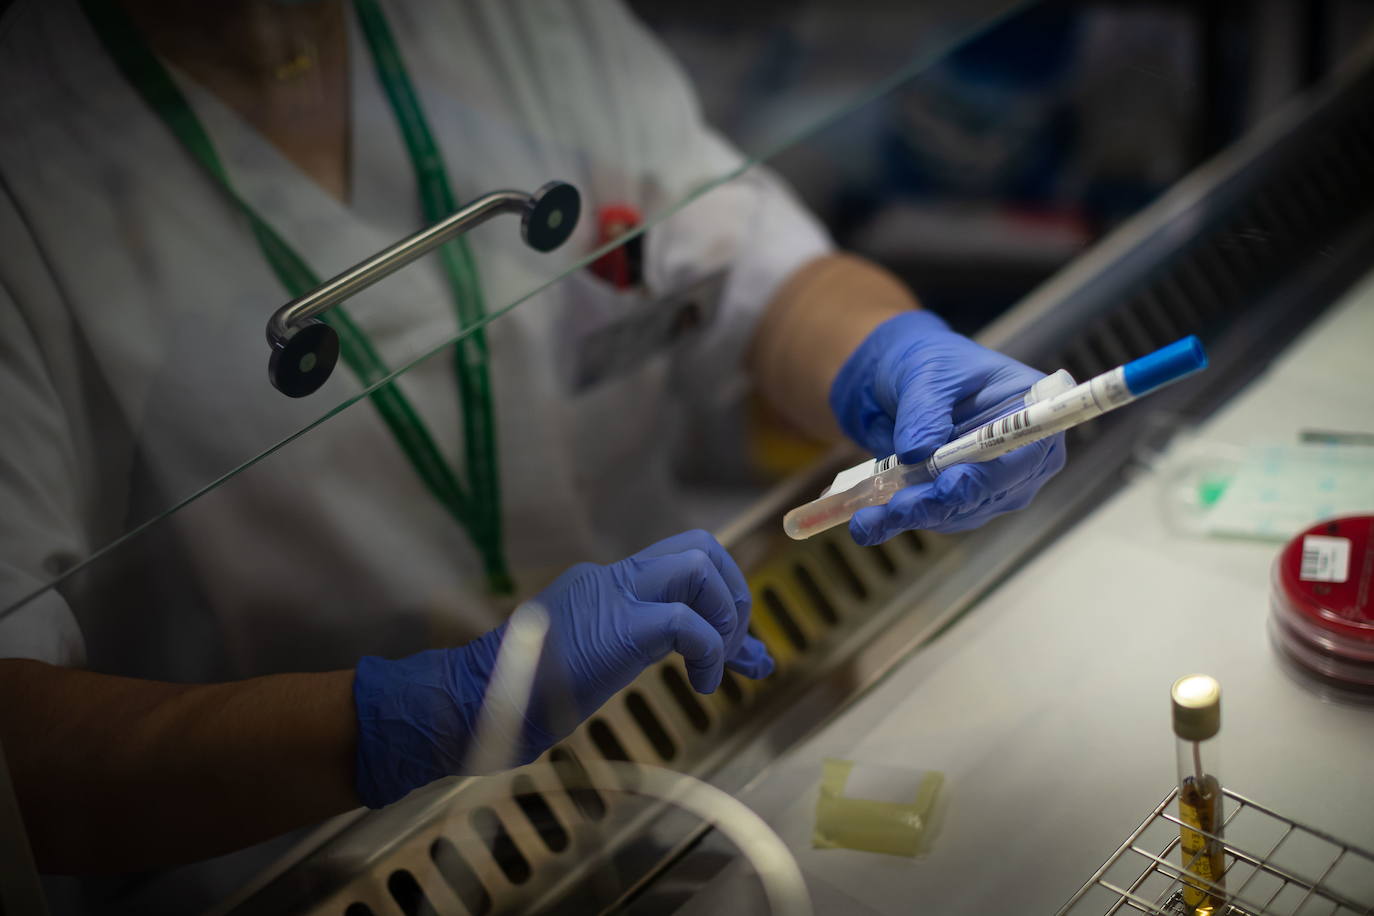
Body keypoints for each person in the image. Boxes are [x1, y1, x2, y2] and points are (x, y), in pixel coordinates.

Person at [0, 0, 1065, 905]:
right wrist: (417, 717)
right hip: (307, 863)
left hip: (661, 726)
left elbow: (739, 262)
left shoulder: (505, 21)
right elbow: (25, 759)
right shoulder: (29, 149)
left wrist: (887, 354)